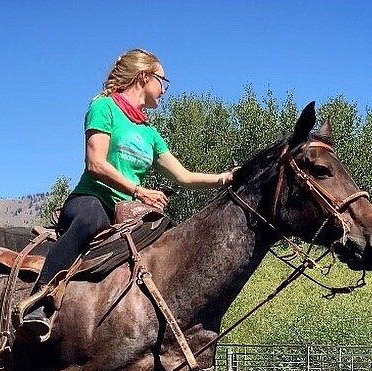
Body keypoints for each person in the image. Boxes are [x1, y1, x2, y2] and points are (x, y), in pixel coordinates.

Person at [22, 48, 236, 340]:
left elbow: (184, 177)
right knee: (88, 221)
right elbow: (96, 163)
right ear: (145, 76)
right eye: (163, 81)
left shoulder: (150, 133)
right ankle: (38, 301)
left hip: (129, 212)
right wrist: (140, 191)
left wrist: (226, 178)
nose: (164, 90)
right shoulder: (104, 107)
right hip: (92, 198)